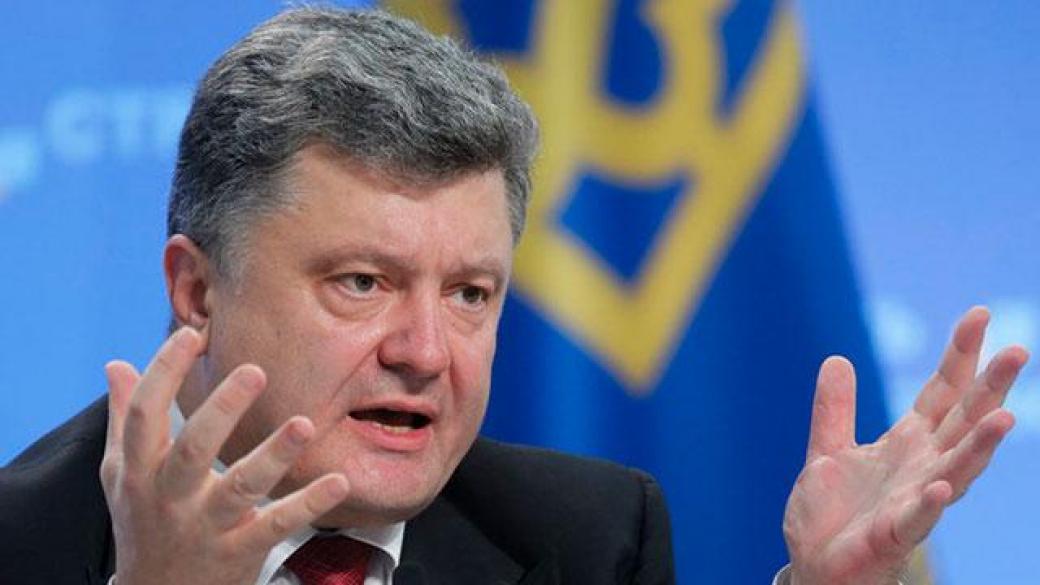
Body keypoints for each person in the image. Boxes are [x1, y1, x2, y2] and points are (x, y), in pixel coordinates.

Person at [0, 7, 1027, 585]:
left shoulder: (586, 538)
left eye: (470, 293)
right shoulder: (25, 541)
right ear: (196, 289)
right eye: (362, 282)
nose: (424, 350)